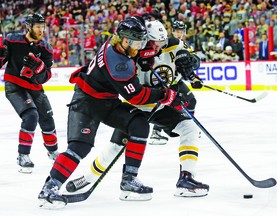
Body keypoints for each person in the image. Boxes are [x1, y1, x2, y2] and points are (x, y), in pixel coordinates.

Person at [37, 16, 181, 208]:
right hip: (87, 103)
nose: (140, 46)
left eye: (141, 42)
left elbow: (140, 46)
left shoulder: (120, 43)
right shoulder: (118, 62)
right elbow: (136, 97)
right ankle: (49, 188)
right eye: (138, 43)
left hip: (107, 101)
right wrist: (164, 94)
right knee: (80, 147)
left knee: (139, 123)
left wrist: (149, 55)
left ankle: (129, 180)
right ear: (126, 40)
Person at [65, 20, 209, 199]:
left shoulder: (170, 43)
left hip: (160, 103)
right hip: (138, 104)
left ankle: (186, 180)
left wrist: (191, 62)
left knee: (189, 128)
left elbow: (192, 57)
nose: (159, 47)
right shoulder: (131, 52)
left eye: (161, 43)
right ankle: (88, 178)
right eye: (154, 44)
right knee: (116, 146)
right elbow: (130, 90)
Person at [0, 13, 59, 174]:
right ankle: (23, 155)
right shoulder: (12, 40)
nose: (41, 30)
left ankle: (53, 151)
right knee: (31, 116)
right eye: (38, 27)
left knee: (47, 119)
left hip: (35, 88)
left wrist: (39, 69)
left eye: (42, 26)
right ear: (28, 27)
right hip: (15, 86)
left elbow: (45, 77)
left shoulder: (46, 48)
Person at [148, 19, 199, 145]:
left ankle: (189, 127)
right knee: (163, 105)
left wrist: (193, 76)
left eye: (181, 31)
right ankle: (156, 132)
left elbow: (193, 62)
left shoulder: (181, 44)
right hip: (164, 83)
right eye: (177, 31)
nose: (179, 34)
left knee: (190, 101)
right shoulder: (160, 45)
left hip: (175, 81)